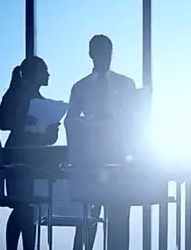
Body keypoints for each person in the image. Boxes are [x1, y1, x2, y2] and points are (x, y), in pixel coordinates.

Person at [65, 34, 137, 250]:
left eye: (107, 51)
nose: (105, 56)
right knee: (87, 220)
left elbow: (135, 120)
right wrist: (89, 125)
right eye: (100, 51)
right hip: (90, 159)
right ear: (91, 54)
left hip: (120, 158)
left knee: (119, 218)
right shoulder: (80, 87)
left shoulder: (126, 84)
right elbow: (70, 121)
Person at [0, 57, 60, 250]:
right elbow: (1, 122)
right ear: (34, 74)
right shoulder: (15, 95)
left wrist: (52, 130)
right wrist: (23, 121)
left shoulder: (43, 103)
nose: (48, 74)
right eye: (45, 70)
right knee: (23, 206)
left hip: (36, 159)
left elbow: (47, 139)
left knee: (26, 207)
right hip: (17, 157)